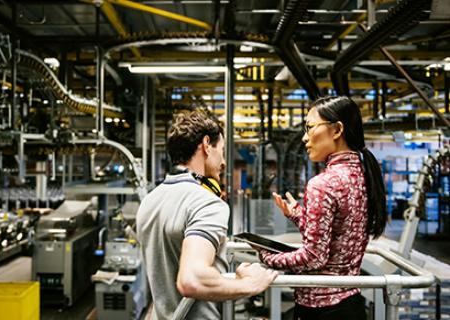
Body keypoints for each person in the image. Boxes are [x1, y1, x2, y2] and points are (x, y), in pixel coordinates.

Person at [253, 96, 387, 320]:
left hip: (320, 309)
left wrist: (267, 258)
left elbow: (314, 257)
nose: (305, 138)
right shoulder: (364, 176)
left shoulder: (322, 184)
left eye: (310, 127)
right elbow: (335, 240)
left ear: (336, 130)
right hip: (351, 305)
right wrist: (297, 215)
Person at [137, 110, 278, 320]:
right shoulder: (207, 203)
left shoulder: (150, 201)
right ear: (206, 145)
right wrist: (248, 284)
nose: (223, 162)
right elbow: (191, 279)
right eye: (221, 150)